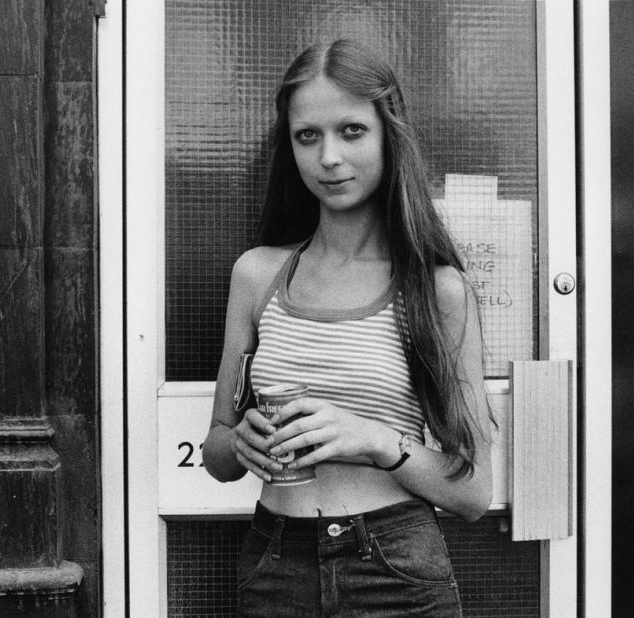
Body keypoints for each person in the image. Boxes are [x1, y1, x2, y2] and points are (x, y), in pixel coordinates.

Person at [202, 39, 493, 617]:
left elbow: (474, 492)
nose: (329, 157)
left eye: (352, 131)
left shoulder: (436, 291)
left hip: (394, 568)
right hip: (275, 566)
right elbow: (217, 453)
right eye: (307, 136)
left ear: (390, 134)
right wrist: (238, 442)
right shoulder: (257, 275)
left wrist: (374, 439)